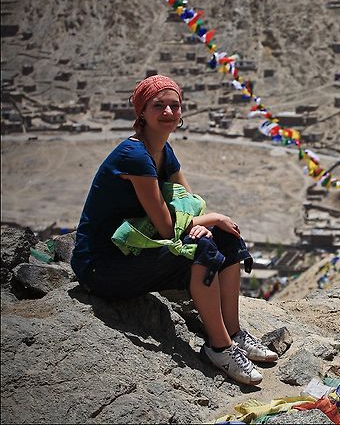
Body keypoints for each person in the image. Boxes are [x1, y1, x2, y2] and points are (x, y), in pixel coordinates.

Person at [70, 75, 277, 386]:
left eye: (174, 106)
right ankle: (220, 347)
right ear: (141, 112)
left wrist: (210, 224)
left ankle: (232, 331)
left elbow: (190, 205)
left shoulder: (164, 152)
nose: (168, 112)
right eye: (158, 106)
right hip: (103, 266)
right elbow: (167, 225)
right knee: (204, 248)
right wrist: (211, 220)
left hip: (137, 249)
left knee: (226, 237)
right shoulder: (135, 156)